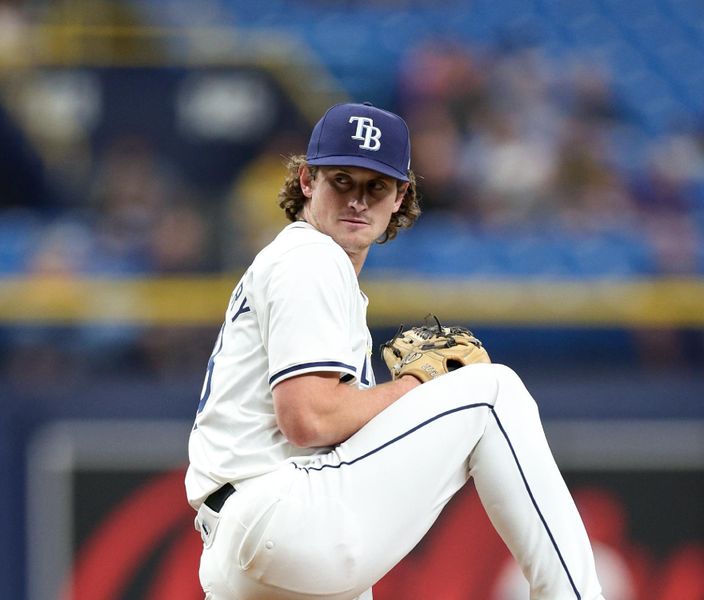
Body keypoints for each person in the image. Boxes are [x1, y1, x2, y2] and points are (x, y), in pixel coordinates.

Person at [185, 102, 605, 600]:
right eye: (342, 180)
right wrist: (413, 386)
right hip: (280, 514)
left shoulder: (298, 261)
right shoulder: (312, 259)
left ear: (399, 196)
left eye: (375, 186)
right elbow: (310, 418)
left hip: (249, 554)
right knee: (493, 394)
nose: (358, 201)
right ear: (306, 182)